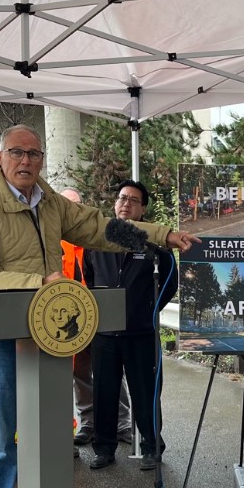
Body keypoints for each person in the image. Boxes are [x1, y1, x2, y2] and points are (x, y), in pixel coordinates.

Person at [0, 124, 199, 488]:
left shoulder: (50, 204)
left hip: (45, 338)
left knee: (51, 439)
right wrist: (39, 281)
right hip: (0, 341)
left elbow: (101, 228)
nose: (27, 161)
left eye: (34, 153)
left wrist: (161, 236)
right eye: (17, 152)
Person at [83, 180, 177, 471]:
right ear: (115, 203)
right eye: (122, 198)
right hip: (105, 334)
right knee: (105, 392)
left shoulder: (155, 248)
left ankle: (152, 447)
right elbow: (89, 279)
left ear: (143, 208)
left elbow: (169, 285)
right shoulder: (96, 242)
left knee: (145, 390)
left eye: (133, 200)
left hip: (141, 334)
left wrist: (148, 310)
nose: (126, 203)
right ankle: (104, 448)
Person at [59, 187, 133, 454]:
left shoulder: (95, 237)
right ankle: (88, 424)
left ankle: (122, 423)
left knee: (112, 370)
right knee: (80, 372)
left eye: (77, 205)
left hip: (99, 314)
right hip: (70, 319)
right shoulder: (55, 241)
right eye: (67, 206)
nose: (73, 211)